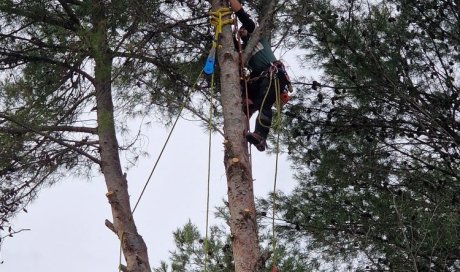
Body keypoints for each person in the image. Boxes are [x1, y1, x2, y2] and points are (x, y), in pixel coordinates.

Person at [227, 0, 292, 152]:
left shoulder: (256, 37)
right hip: (261, 79)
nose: (241, 31)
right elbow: (230, 47)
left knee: (265, 103)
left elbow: (241, 15)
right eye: (240, 31)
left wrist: (231, 2)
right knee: (244, 84)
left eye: (242, 29)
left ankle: (260, 136)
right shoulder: (243, 53)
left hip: (274, 75)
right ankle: (246, 108)